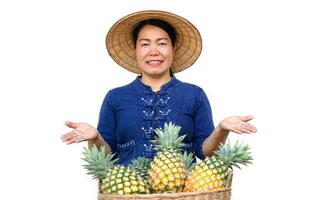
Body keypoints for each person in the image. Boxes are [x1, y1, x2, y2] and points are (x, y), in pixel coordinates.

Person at [61, 10, 257, 166]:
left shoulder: (194, 94)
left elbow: (204, 152)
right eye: (145, 44)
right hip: (127, 193)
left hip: (183, 193)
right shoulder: (115, 97)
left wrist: (222, 129)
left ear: (174, 47)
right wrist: (94, 137)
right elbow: (107, 155)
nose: (153, 51)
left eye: (162, 43)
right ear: (135, 50)